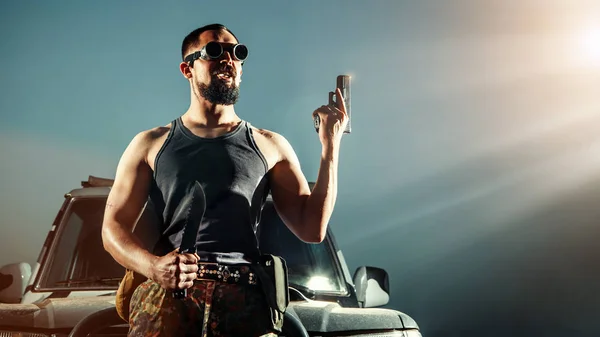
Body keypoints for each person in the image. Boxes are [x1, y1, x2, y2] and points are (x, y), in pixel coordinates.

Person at [101, 23, 348, 337]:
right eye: (213, 52)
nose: (228, 59)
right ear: (187, 68)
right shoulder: (149, 144)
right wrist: (153, 267)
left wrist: (330, 145)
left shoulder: (270, 145)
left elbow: (312, 229)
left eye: (237, 53)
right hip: (167, 302)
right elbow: (112, 229)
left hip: (245, 302)